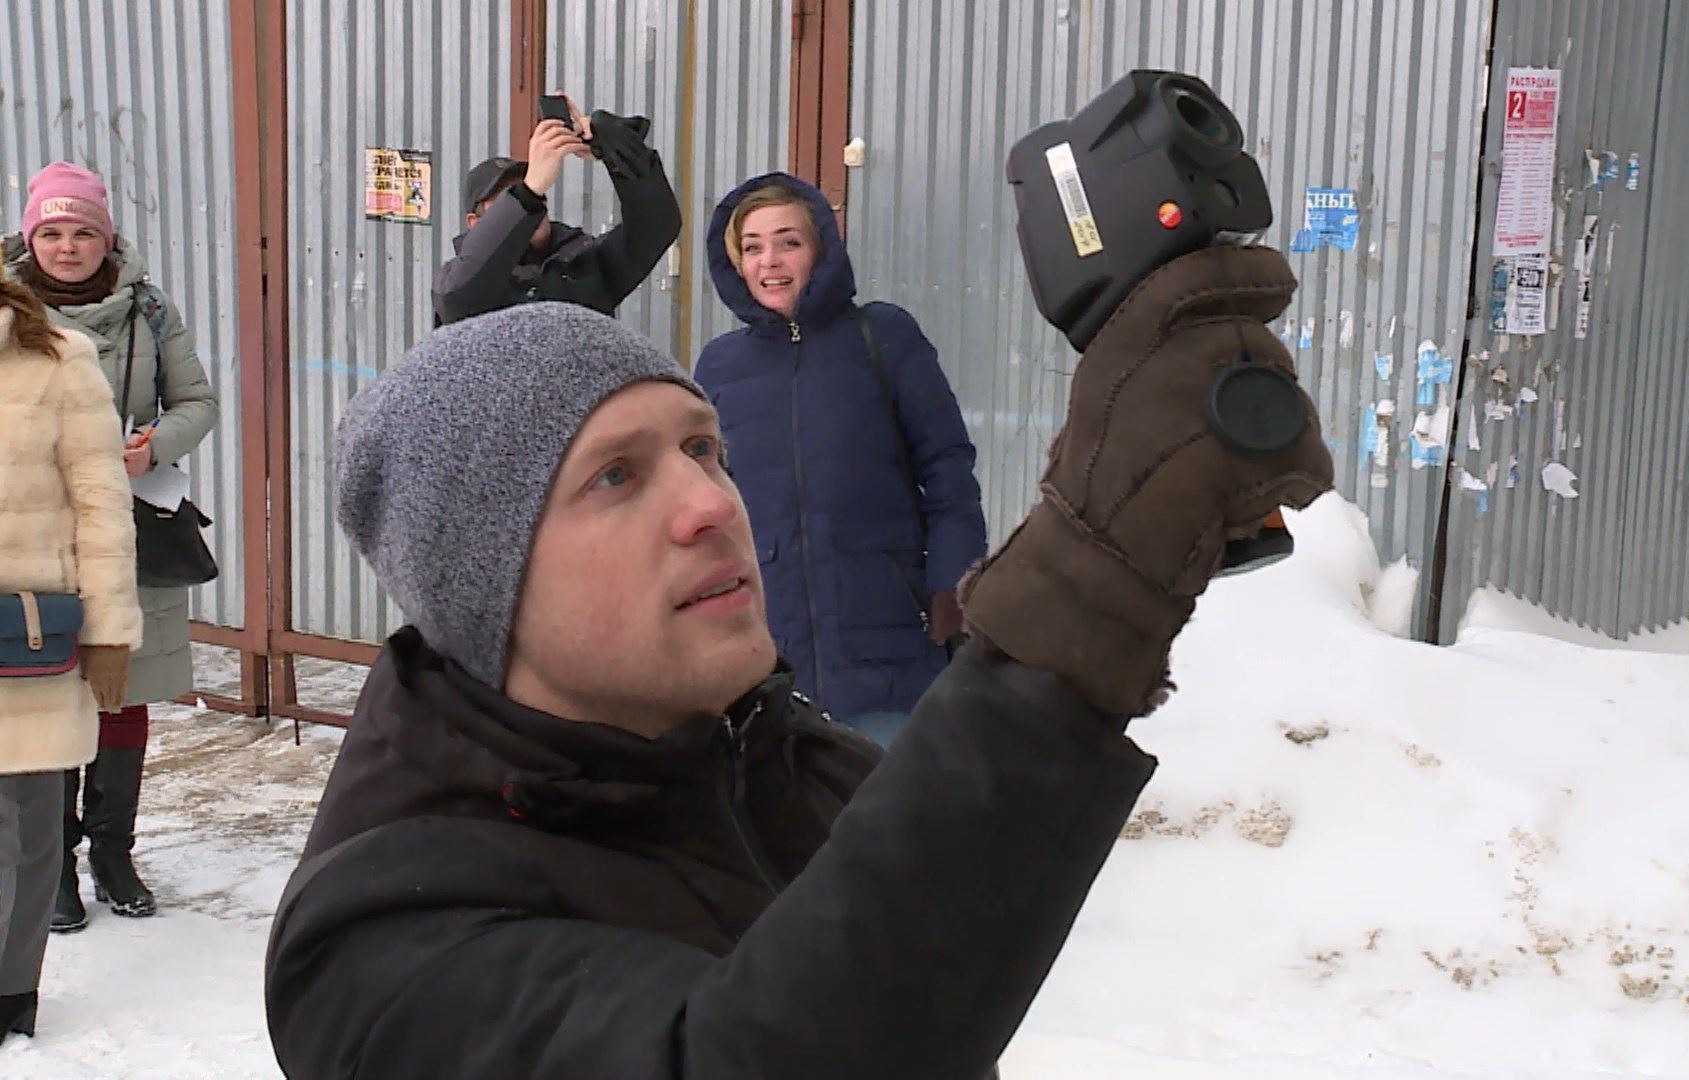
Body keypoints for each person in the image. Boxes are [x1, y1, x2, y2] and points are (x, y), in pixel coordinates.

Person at [264, 229, 1332, 1077]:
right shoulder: (377, 946)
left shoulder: (790, 769)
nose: (712, 505)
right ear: (482, 578)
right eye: (614, 477)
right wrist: (1081, 602)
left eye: (702, 449)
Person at [695, 173, 986, 745]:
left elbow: (948, 470)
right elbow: (706, 502)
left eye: (788, 242)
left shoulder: (884, 335)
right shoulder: (718, 367)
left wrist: (955, 582)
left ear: (819, 249)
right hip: (770, 668)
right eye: (752, 247)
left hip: (890, 651)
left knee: (895, 825)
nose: (770, 261)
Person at [4, 161, 220, 928]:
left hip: (128, 532)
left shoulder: (149, 312)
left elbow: (197, 400)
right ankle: (50, 861)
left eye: (83, 232)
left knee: (119, 690)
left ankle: (113, 851)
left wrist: (154, 445)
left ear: (107, 237)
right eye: (52, 232)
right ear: (32, 238)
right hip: (34, 538)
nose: (68, 247)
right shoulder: (8, 311)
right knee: (46, 689)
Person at [0, 277, 143, 1044]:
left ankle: (9, 989)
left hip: (20, 642)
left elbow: (101, 501)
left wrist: (110, 630)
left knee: (21, 829)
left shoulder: (58, 360)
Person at [432, 98, 680, 326]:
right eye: (505, 200)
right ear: (474, 222)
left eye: (535, 193)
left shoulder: (584, 264)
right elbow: (457, 298)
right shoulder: (459, 282)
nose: (532, 208)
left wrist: (617, 149)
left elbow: (656, 225)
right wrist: (527, 194)